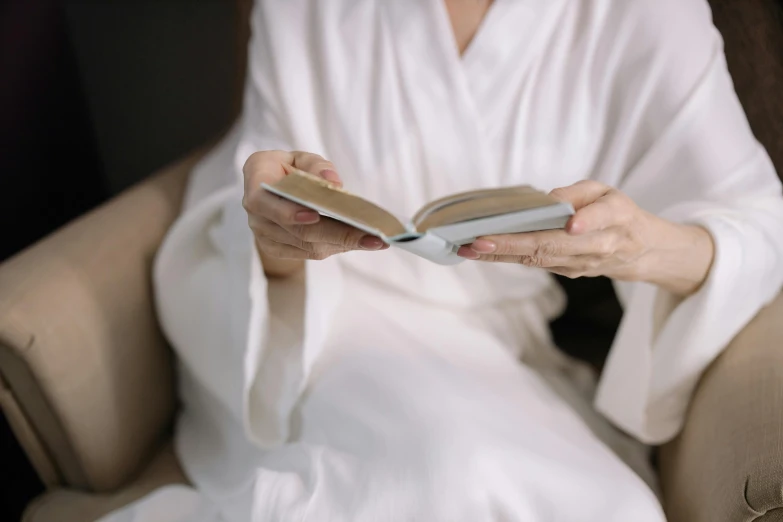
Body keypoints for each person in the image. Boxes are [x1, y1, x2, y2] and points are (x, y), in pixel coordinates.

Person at [101, 0, 783, 520]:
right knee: (450, 472)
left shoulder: (644, 13)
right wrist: (278, 241)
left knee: (610, 508)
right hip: (331, 315)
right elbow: (260, 198)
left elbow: (756, 217)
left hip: (497, 346)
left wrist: (637, 248)